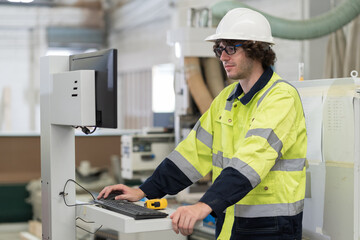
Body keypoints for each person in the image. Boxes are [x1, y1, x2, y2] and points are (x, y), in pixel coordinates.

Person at [98, 8, 307, 240]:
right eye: (219, 49)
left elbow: (251, 161)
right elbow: (191, 155)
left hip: (271, 229)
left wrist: (203, 205)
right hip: (230, 224)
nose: (222, 57)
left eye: (231, 48)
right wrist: (144, 190)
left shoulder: (281, 97)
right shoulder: (226, 99)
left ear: (256, 49)